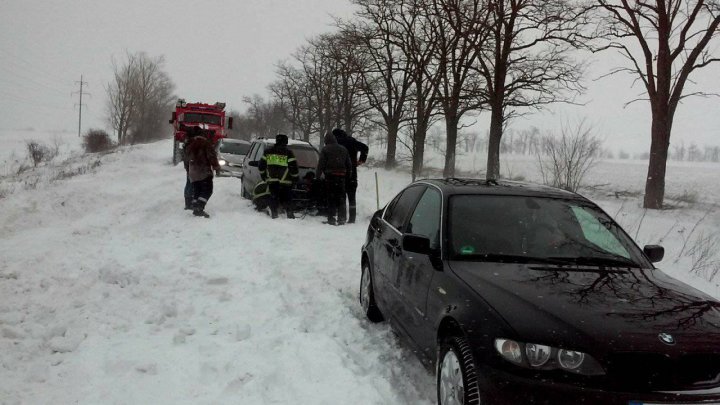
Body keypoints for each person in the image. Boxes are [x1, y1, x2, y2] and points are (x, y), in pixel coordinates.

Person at [332, 128, 368, 224]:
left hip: (340, 173)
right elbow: (365, 147)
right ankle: (352, 219)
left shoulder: (336, 142)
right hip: (352, 173)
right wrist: (361, 160)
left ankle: (341, 217)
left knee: (341, 196)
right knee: (352, 197)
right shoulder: (352, 141)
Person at [258, 134, 299, 219]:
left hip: (272, 181)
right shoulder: (288, 153)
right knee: (287, 198)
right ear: (286, 142)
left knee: (274, 197)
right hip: (286, 182)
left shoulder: (268, 152)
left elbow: (261, 166)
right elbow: (293, 168)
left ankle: (274, 213)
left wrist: (264, 176)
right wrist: (295, 178)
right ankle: (289, 214)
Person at [316, 132, 352, 225]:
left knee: (331, 198)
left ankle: (331, 218)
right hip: (341, 178)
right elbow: (349, 165)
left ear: (326, 141)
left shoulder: (325, 149)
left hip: (330, 177)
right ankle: (342, 218)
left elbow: (321, 165)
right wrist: (348, 177)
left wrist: (317, 177)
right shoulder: (344, 149)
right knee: (341, 198)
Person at [186, 134, 220, 218]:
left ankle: (195, 206)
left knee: (197, 190)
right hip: (203, 171)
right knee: (207, 190)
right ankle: (199, 208)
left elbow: (186, 159)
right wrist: (216, 167)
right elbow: (212, 157)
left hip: (193, 172)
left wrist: (188, 170)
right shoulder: (206, 144)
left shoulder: (190, 145)